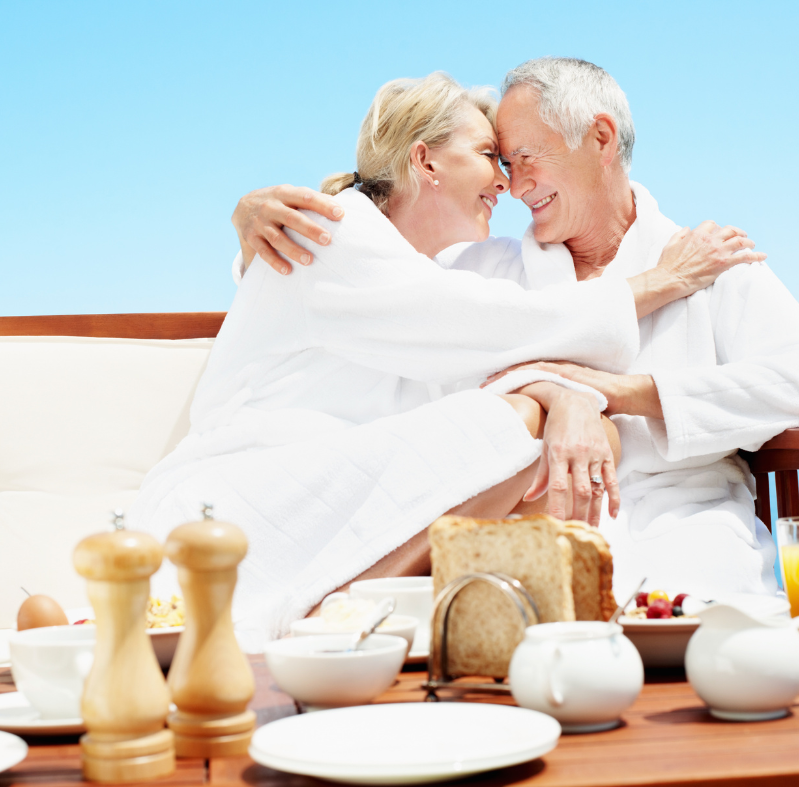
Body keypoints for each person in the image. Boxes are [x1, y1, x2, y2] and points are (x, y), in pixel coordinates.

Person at [133, 73, 752, 649]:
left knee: (554, 444)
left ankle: (343, 609)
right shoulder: (336, 231)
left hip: (325, 498)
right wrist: (661, 281)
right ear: (425, 160)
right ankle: (325, 609)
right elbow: (505, 327)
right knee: (518, 425)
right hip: (248, 504)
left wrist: (568, 399)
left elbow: (478, 358)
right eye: (489, 156)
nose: (505, 182)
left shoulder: (415, 271)